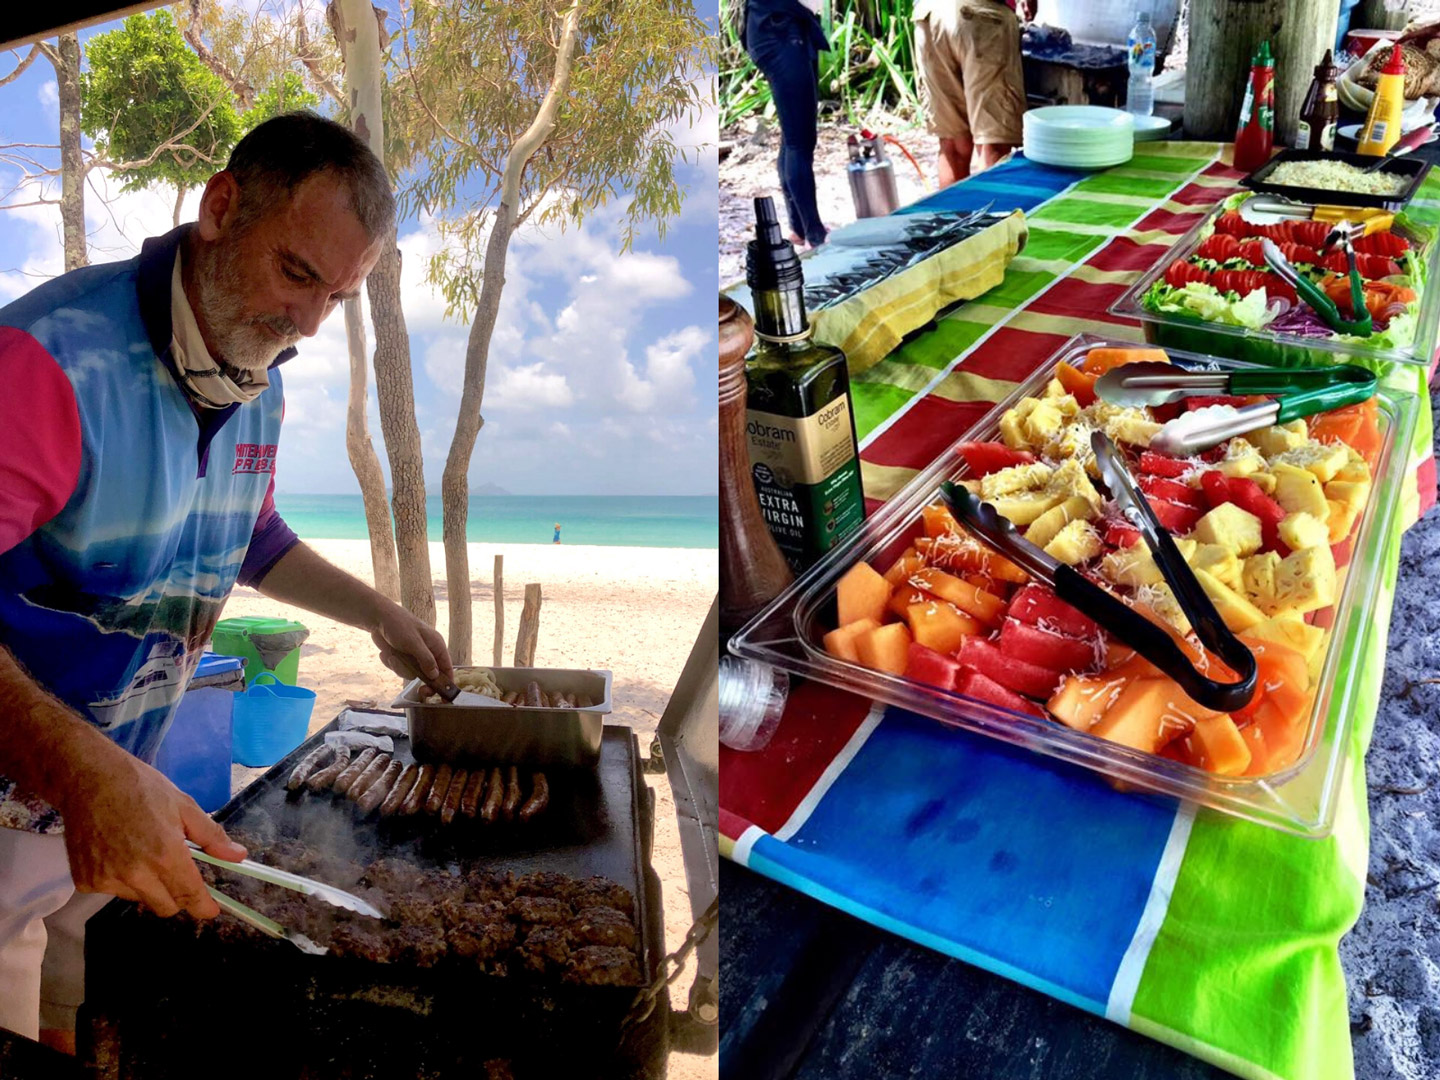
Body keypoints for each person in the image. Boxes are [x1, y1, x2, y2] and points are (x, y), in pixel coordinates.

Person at [0, 111, 454, 1041]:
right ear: (219, 208)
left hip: (117, 786)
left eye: (337, 297)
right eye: (297, 274)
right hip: (15, 804)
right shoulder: (45, 363)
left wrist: (377, 613)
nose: (308, 326)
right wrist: (84, 779)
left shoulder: (260, 379)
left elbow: (250, 535)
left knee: (85, 1015)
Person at [913, 0, 1034, 187]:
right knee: (992, 144)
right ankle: (993, 216)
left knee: (952, 145)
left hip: (931, 14)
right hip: (981, 15)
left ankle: (954, 216)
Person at [744, 0, 830, 248]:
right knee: (799, 142)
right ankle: (815, 236)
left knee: (795, 137)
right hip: (778, 29)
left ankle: (801, 228)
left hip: (784, 25)